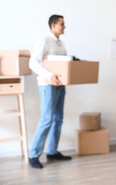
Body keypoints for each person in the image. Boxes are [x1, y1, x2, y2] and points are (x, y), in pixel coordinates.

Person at [28, 14, 71, 169]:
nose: (64, 26)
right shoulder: (44, 41)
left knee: (58, 119)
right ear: (53, 25)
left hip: (60, 85)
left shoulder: (61, 43)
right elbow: (33, 62)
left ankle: (52, 152)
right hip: (47, 85)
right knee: (47, 119)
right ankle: (33, 155)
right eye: (62, 24)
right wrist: (49, 75)